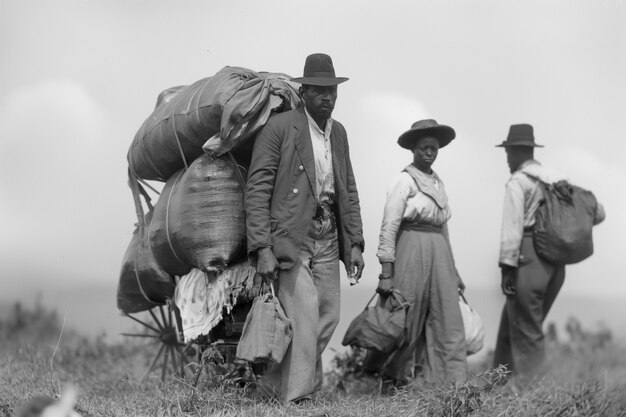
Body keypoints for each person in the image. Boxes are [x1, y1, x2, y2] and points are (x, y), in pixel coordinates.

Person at [244, 53, 365, 403]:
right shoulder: (280, 129)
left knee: (328, 314)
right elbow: (258, 189)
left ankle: (270, 387)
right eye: (320, 91)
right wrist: (262, 247)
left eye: (333, 91)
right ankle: (297, 399)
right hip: (291, 236)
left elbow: (348, 189)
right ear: (305, 91)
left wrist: (354, 242)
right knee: (305, 315)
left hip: (329, 234)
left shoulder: (338, 133)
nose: (328, 98)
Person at [492, 124, 605, 378]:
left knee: (526, 331)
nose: (507, 159)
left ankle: (533, 394)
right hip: (556, 264)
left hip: (529, 260)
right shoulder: (556, 179)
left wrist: (506, 270)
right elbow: (598, 212)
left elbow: (512, 229)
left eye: (508, 153)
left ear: (517, 152)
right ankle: (496, 385)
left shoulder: (518, 182)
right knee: (512, 324)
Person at [364, 119, 467, 388]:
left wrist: (453, 271)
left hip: (439, 253)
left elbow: (443, 228)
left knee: (447, 316)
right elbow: (389, 226)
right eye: (424, 148)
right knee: (405, 314)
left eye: (434, 148)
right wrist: (386, 272)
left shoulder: (438, 183)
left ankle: (446, 384)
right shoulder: (404, 180)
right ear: (414, 149)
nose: (429, 153)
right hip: (411, 249)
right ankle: (389, 379)